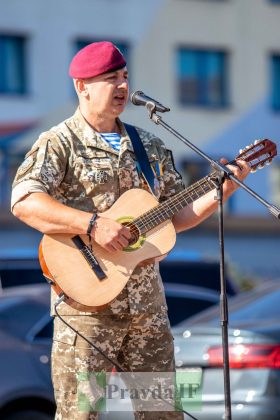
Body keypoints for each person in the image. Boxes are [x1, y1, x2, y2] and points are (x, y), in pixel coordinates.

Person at [11, 41, 250, 420]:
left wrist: (221, 192)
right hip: (87, 307)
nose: (122, 86)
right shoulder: (59, 143)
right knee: (80, 415)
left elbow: (176, 215)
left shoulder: (149, 144)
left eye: (124, 77)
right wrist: (91, 224)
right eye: (110, 79)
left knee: (163, 414)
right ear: (82, 86)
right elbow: (24, 201)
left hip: (148, 311)